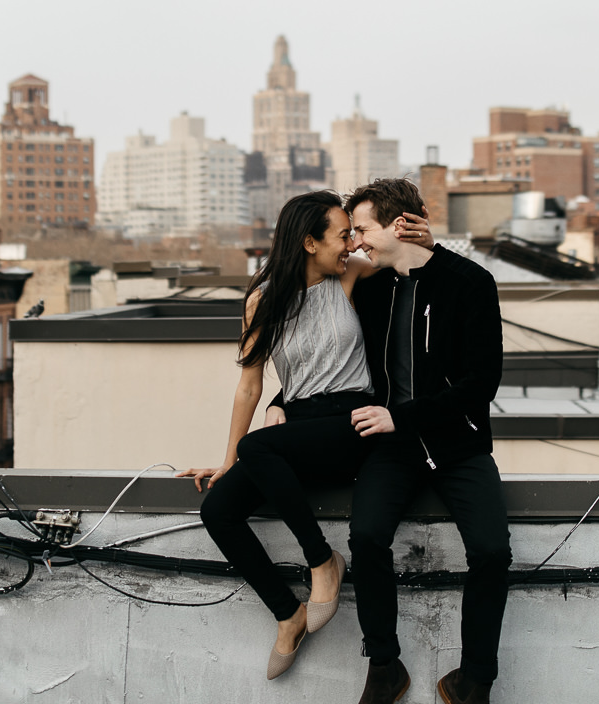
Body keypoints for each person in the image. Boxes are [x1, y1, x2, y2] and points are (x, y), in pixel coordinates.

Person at [181, 190, 432, 681]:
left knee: (258, 446)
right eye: (342, 236)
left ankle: (323, 561)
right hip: (299, 427)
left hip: (354, 421)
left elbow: (414, 267)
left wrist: (424, 237)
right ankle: (286, 612)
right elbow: (249, 386)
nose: (350, 244)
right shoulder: (262, 301)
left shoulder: (353, 274)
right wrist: (229, 462)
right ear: (309, 242)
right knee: (218, 509)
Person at [343, 177, 509, 704]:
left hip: (457, 444)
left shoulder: (470, 281)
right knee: (366, 538)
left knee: (491, 551)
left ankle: (474, 680)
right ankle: (385, 665)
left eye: (363, 229)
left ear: (399, 225)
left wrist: (404, 416)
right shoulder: (370, 289)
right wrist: (280, 404)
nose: (357, 241)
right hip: (392, 450)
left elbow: (482, 384)